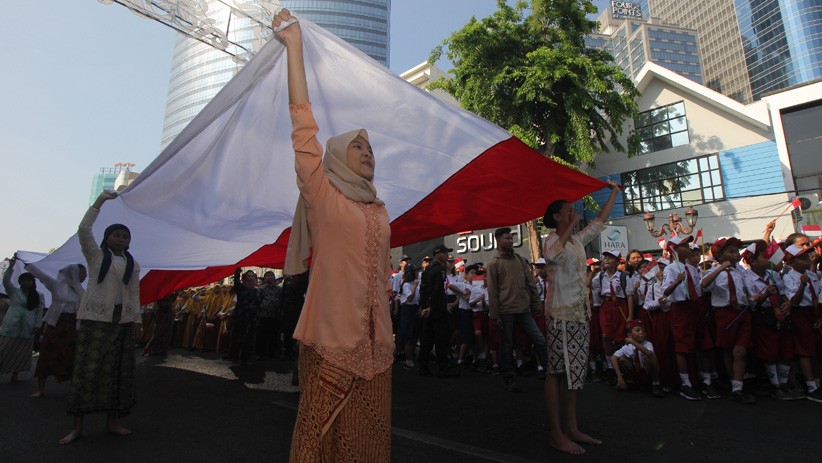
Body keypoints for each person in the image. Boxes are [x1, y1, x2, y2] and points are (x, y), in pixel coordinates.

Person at [275, 10, 394, 461]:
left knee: (369, 441)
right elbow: (303, 128)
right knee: (318, 435)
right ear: (339, 157)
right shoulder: (323, 195)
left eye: (371, 148)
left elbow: (382, 277)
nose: (368, 154)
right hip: (330, 339)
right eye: (358, 147)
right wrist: (294, 46)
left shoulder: (381, 211)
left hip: (378, 347)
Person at [541, 180, 619, 455]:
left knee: (573, 372)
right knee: (556, 372)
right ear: (556, 217)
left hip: (578, 314)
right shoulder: (551, 239)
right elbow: (551, 256)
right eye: (569, 211)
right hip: (560, 314)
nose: (574, 214)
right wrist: (571, 226)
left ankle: (571, 428)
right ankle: (556, 433)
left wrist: (613, 193)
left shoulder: (575, 241)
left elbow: (600, 221)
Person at [60, 190, 141, 445]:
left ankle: (112, 422)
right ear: (108, 238)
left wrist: (137, 320)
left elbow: (134, 292)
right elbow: (84, 230)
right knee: (88, 370)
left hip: (123, 321)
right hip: (96, 320)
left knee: (118, 372)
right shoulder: (96, 256)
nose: (121, 238)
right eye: (117, 235)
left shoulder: (132, 263)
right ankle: (77, 427)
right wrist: (100, 202)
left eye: (125, 236)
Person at [487, 227, 548, 392]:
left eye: (511, 238)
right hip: (505, 311)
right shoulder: (493, 263)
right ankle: (509, 377)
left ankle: (550, 375)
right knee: (507, 346)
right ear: (498, 241)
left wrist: (536, 302)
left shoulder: (520, 259)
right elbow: (492, 292)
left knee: (540, 340)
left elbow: (531, 282)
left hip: (524, 309)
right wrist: (495, 315)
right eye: (506, 238)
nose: (510, 240)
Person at [701, 237, 754, 404]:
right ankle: (734, 384)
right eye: (731, 251)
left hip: (742, 313)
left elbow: (745, 290)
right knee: (727, 350)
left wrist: (753, 297)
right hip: (724, 314)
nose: (736, 254)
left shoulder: (741, 271)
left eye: (736, 251)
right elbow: (704, 285)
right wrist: (720, 268)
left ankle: (738, 388)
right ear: (720, 256)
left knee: (741, 351)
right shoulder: (714, 271)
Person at [26, 262, 87, 397]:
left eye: (85, 273)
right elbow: (42, 276)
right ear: (73, 274)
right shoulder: (57, 286)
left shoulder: (81, 290)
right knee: (47, 353)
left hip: (73, 325)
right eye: (81, 273)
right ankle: (40, 389)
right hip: (57, 323)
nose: (84, 276)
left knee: (71, 355)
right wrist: (27, 264)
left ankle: (73, 388)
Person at [781, 243, 822, 402]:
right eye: (802, 258)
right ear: (791, 263)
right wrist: (803, 284)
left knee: (817, 350)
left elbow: (817, 295)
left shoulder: (812, 274)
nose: (806, 260)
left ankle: (818, 382)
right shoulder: (789, 277)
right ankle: (811, 386)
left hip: (815, 313)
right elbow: (794, 301)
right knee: (805, 350)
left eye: (807, 257)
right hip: (801, 314)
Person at [592, 250, 634, 384]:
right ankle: (610, 367)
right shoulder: (600, 276)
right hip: (606, 306)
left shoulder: (623, 277)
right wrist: (593, 272)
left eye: (611, 258)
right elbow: (589, 286)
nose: (607, 260)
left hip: (620, 306)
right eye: (605, 258)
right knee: (606, 336)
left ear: (617, 261)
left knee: (621, 337)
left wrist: (630, 315)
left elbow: (629, 296)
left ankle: (622, 367)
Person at [1, 257, 45, 383]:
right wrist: (10, 267)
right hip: (11, 325)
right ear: (20, 282)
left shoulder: (38, 296)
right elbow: (6, 281)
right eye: (24, 280)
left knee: (20, 353)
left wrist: (37, 324)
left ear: (32, 282)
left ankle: (15, 374)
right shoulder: (14, 292)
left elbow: (39, 311)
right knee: (3, 349)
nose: (26, 283)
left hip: (28, 327)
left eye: (29, 280)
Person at [419, 245, 459, 378]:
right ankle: (443, 368)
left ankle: (423, 367)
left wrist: (424, 307)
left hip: (428, 310)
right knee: (441, 340)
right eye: (445, 252)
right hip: (437, 310)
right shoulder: (439, 270)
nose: (447, 255)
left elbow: (423, 291)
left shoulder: (427, 270)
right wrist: (432, 306)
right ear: (439, 254)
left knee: (427, 340)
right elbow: (437, 290)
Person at [611, 320, 664, 397]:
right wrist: (620, 377)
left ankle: (656, 385)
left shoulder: (647, 343)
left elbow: (649, 353)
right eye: (637, 330)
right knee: (621, 359)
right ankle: (631, 382)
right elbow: (613, 357)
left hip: (646, 373)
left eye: (643, 330)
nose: (641, 332)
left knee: (650, 356)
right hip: (635, 373)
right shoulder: (627, 347)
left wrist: (632, 342)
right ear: (629, 335)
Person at [256, 271, 283, 359]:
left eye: (271, 275)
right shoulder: (261, 289)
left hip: (274, 316)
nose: (270, 277)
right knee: (261, 336)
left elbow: (281, 300)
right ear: (264, 278)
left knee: (273, 336)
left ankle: (272, 353)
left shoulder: (279, 289)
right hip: (263, 316)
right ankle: (260, 353)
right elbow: (257, 301)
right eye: (267, 275)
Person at [142, 293, 176, 357]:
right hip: (161, 314)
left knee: (167, 333)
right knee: (158, 332)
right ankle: (152, 350)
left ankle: (162, 349)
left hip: (168, 315)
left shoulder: (171, 293)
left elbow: (172, 300)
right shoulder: (160, 292)